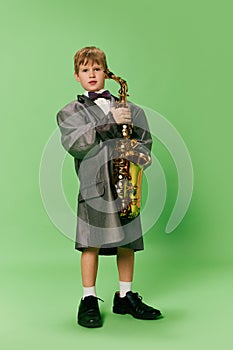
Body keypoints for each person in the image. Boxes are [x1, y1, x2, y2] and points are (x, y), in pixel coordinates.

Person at [56, 46, 162, 328]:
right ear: (76, 76)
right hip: (95, 185)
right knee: (90, 243)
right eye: (85, 70)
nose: (92, 74)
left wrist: (136, 148)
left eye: (97, 69)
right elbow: (77, 145)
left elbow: (145, 146)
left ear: (106, 72)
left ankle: (125, 295)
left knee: (127, 241)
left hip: (126, 184)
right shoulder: (70, 111)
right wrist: (109, 122)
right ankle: (88, 298)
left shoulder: (131, 109)